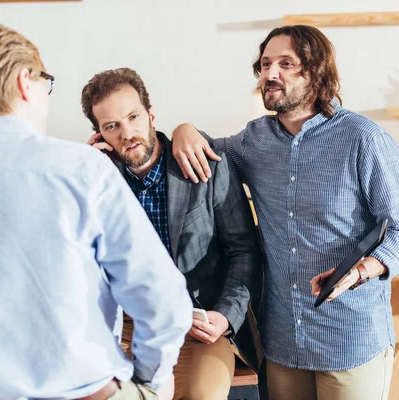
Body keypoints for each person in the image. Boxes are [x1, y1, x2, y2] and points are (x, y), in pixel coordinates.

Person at [0, 25, 192, 400]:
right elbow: (163, 300)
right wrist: (148, 382)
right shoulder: (83, 170)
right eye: (45, 83)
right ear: (25, 83)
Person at [170, 25, 399, 400]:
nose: (270, 74)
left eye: (286, 64)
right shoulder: (253, 140)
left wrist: (360, 271)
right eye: (266, 64)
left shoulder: (364, 139)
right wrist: (182, 128)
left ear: (316, 73)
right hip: (282, 341)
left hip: (350, 339)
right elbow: (202, 150)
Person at [81, 67, 262, 400]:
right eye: (112, 126)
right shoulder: (95, 181)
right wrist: (85, 181)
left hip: (199, 327)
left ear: (151, 115)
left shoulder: (206, 164)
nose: (127, 132)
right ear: (99, 136)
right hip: (125, 330)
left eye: (133, 117)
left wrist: (225, 316)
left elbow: (244, 251)